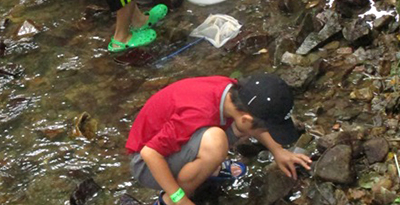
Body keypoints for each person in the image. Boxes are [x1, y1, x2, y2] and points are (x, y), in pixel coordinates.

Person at [126, 73, 312, 205]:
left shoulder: (232, 91)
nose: (269, 132)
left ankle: (207, 168)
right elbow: (149, 153)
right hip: (146, 165)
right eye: (268, 129)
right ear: (246, 118)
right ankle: (168, 200)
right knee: (216, 142)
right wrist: (179, 198)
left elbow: (253, 121)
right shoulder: (197, 113)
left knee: (224, 136)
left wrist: (278, 151)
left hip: (173, 145)